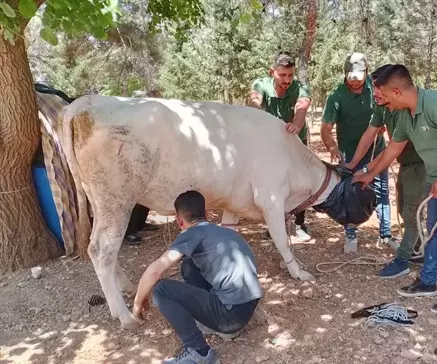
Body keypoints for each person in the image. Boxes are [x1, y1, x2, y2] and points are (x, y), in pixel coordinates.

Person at [353, 64, 437, 314]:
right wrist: (367, 175)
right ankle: (428, 282)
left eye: (380, 95)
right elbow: (392, 150)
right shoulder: (405, 115)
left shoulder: (436, 104)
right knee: (434, 231)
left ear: (396, 92)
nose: (378, 101)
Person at [132, 191, 264, 363]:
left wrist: (137, 303)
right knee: (189, 265)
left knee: (161, 290)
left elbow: (154, 271)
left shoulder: (191, 234)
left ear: (179, 221)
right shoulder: (223, 233)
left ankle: (200, 352)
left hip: (230, 316)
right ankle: (215, 322)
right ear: (206, 214)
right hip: (247, 307)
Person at [346, 64, 426, 278]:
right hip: (406, 163)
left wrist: (367, 171)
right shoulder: (382, 107)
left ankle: (403, 259)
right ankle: (417, 250)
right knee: (403, 209)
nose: (376, 93)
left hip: (421, 164)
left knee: (411, 213)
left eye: (379, 88)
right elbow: (369, 135)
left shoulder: (402, 109)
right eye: (374, 88)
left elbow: (390, 150)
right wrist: (353, 164)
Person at [321, 52, 398, 254]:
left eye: (359, 77)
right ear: (345, 73)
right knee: (351, 195)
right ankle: (351, 233)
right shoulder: (336, 96)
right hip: (349, 156)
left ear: (366, 73)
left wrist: (384, 127)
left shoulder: (376, 90)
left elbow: (388, 113)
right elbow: (325, 129)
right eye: (351, 77)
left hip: (377, 152)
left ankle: (385, 234)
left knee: (381, 192)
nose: (355, 82)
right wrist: (332, 147)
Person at [248, 51, 313, 243]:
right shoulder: (260, 85)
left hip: (295, 140)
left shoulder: (301, 87)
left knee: (301, 182)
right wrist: (254, 116)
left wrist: (297, 125)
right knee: (273, 183)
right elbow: (254, 104)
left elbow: (302, 107)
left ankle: (300, 224)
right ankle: (276, 224)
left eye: (290, 75)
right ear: (272, 72)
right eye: (282, 75)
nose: (287, 80)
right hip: (270, 145)